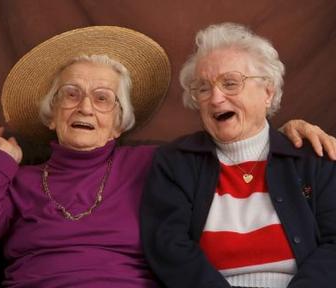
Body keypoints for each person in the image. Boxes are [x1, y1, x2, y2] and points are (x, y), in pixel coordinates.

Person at [0, 25, 334, 288]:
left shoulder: (157, 163)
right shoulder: (22, 177)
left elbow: (240, 143)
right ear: (51, 112)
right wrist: (1, 161)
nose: (85, 107)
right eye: (70, 94)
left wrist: (288, 134)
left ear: (120, 123)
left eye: (103, 98)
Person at [140, 23, 336, 288]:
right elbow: (168, 247)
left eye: (230, 83)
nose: (216, 99)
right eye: (203, 88)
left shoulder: (312, 156)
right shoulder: (175, 162)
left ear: (268, 92)